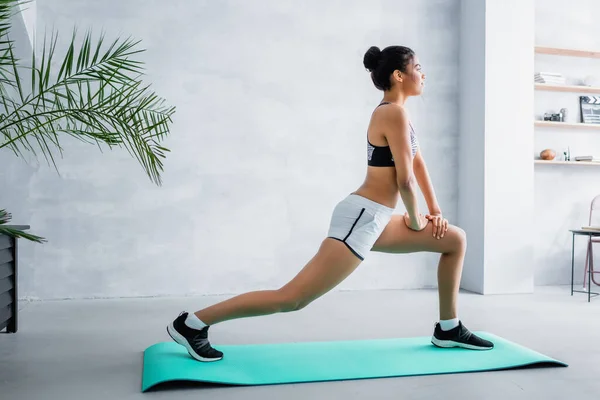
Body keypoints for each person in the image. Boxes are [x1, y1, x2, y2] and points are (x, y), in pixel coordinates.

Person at [166, 45, 494, 362]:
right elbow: (404, 180)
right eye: (418, 68)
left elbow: (418, 165)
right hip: (362, 219)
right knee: (292, 299)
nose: (424, 74)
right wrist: (415, 219)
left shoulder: (401, 115)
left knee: (454, 239)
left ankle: (448, 328)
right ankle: (192, 324)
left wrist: (434, 213)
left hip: (374, 217)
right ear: (398, 75)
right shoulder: (392, 113)